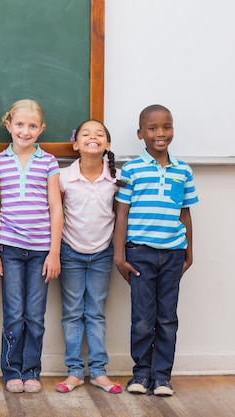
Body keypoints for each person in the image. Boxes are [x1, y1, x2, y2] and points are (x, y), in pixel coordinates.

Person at [114, 104, 198, 397]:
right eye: (153, 128)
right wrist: (119, 254)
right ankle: (141, 374)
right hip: (140, 253)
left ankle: (162, 376)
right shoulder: (131, 169)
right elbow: (121, 213)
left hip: (173, 253)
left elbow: (185, 213)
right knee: (142, 317)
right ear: (141, 133)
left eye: (166, 127)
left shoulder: (182, 170)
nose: (160, 134)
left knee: (167, 318)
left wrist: (189, 249)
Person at [0, 99, 62, 394]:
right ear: (8, 125)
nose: (25, 131)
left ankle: (32, 370)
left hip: (42, 250)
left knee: (35, 315)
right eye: (19, 124)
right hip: (10, 249)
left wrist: (54, 252)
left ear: (41, 129)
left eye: (32, 126)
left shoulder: (49, 162)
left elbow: (56, 207)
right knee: (14, 313)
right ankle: (12, 370)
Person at [55, 119, 124, 394]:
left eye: (99, 134)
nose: (92, 137)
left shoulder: (116, 179)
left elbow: (120, 218)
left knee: (95, 313)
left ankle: (98, 372)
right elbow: (56, 215)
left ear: (107, 144)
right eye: (86, 133)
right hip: (70, 252)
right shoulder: (63, 177)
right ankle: (74, 371)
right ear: (76, 144)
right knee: (72, 313)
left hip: (101, 255)